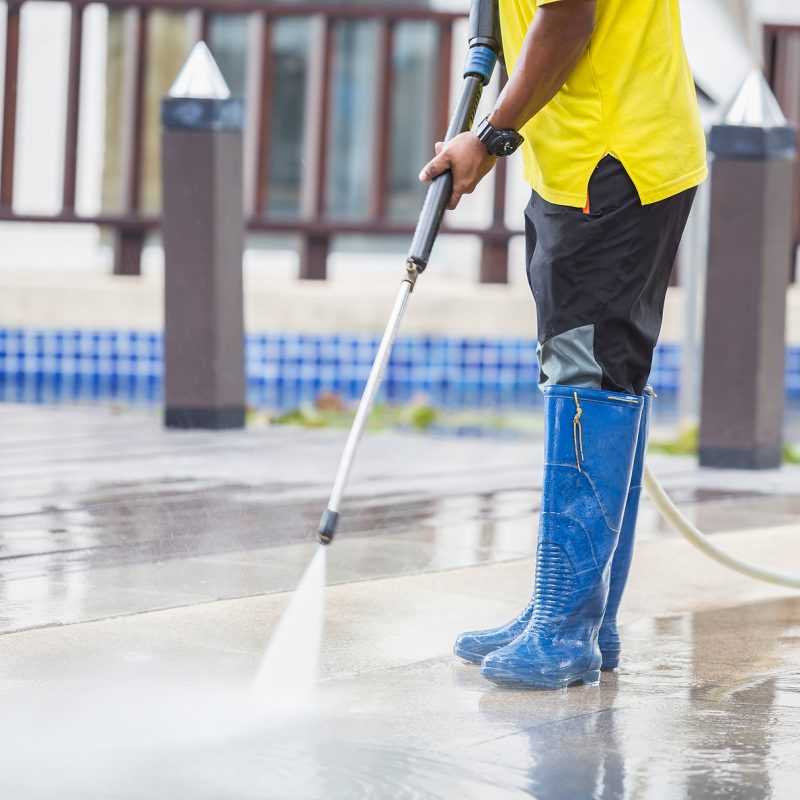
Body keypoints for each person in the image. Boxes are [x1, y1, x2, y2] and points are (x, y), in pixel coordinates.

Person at [420, 0, 706, 689]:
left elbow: (569, 17)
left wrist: (489, 136)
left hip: (611, 164)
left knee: (590, 378)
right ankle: (577, 614)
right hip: (580, 162)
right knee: (586, 372)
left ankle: (566, 626)